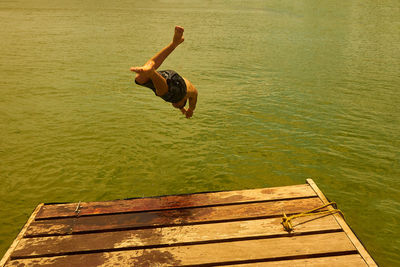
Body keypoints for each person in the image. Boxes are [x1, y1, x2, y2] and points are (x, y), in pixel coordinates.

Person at [131, 26, 198, 118]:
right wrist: (191, 109)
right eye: (178, 104)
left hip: (170, 75)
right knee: (166, 94)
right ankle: (152, 72)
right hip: (178, 84)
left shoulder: (186, 92)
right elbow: (192, 97)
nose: (174, 104)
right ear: (184, 100)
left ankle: (173, 44)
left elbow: (179, 101)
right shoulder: (185, 94)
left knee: (140, 79)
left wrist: (183, 109)